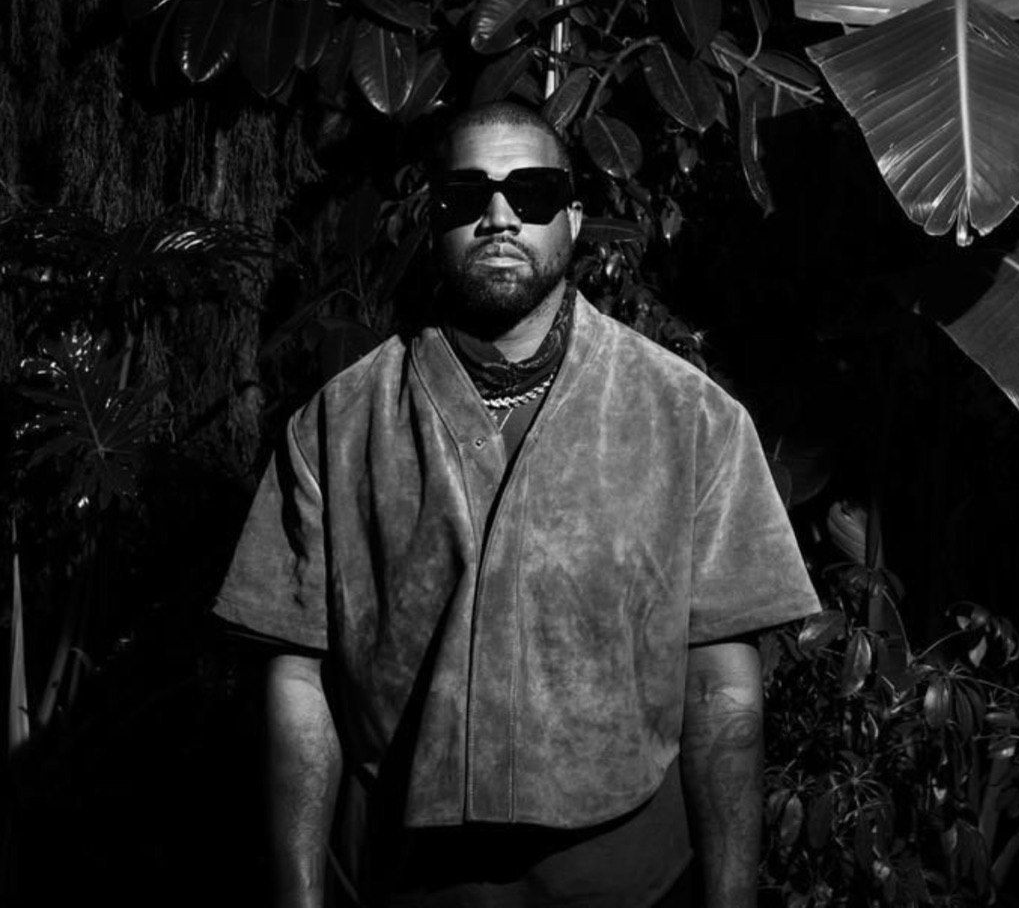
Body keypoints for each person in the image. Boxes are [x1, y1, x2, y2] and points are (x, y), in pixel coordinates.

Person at [215, 101, 820, 908]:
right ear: (432, 218)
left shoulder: (690, 417)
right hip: (402, 880)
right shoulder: (339, 422)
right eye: (467, 194)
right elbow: (299, 679)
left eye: (531, 192)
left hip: (631, 883)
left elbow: (722, 689)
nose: (499, 217)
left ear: (574, 217)